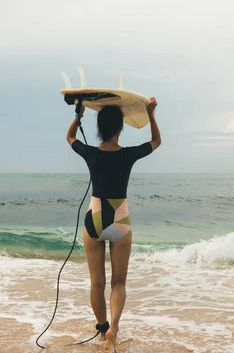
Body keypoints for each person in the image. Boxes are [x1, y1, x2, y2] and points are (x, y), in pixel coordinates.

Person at [66, 97, 161, 352]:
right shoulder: (129, 154)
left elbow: (70, 138)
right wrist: (150, 114)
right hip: (119, 218)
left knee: (97, 281)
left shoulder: (91, 153)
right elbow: (156, 142)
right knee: (119, 282)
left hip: (94, 217)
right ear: (120, 128)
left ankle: (101, 326)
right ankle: (113, 329)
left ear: (100, 129)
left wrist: (79, 115)